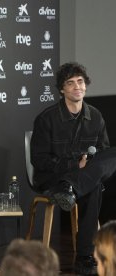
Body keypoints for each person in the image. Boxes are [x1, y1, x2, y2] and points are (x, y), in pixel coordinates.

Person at [31, 62, 116, 275]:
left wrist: (88, 164)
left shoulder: (95, 116)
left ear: (85, 85)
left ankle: (71, 187)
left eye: (80, 82)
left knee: (109, 161)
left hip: (80, 180)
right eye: (70, 83)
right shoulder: (46, 118)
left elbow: (103, 154)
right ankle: (85, 257)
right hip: (52, 178)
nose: (77, 86)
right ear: (62, 89)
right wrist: (73, 165)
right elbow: (38, 160)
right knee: (93, 186)